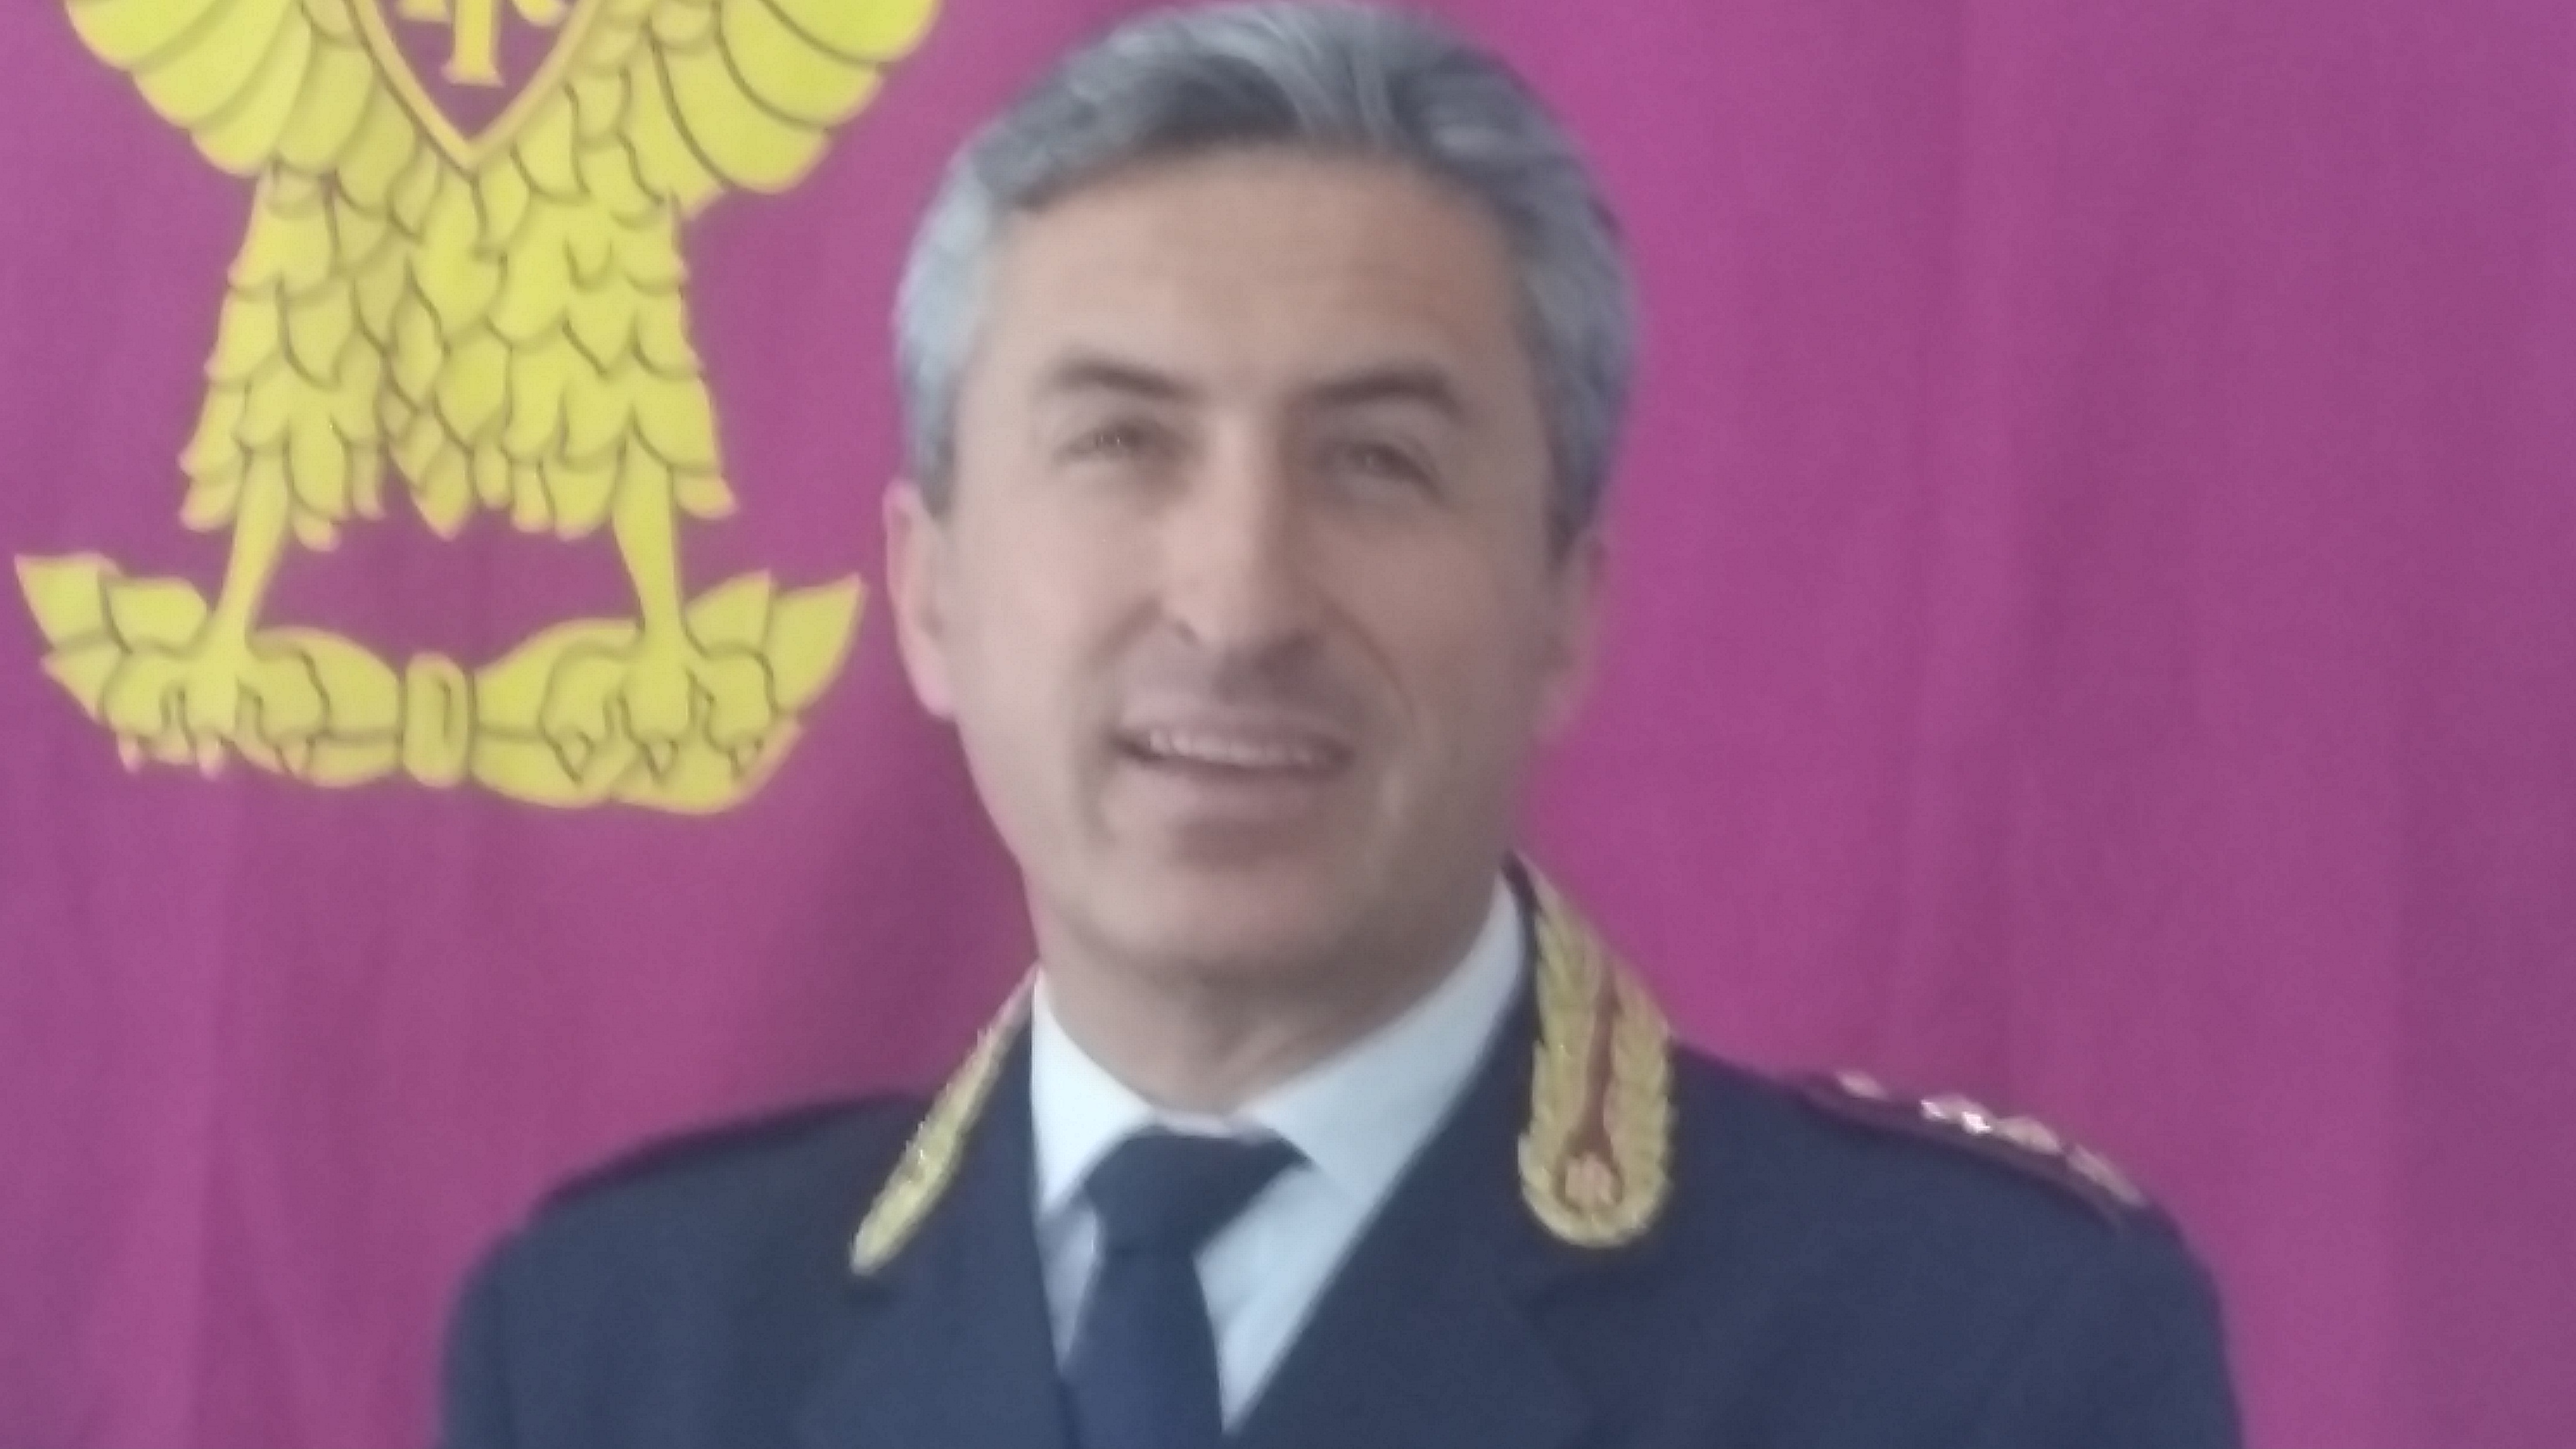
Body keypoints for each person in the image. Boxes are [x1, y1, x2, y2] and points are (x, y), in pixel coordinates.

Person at [438, 4, 2241, 1446]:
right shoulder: (614, 1349)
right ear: (927, 593)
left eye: (1377, 461)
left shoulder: (1980, 1355)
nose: (1240, 606)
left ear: (1565, 606)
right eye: (1120, 443)